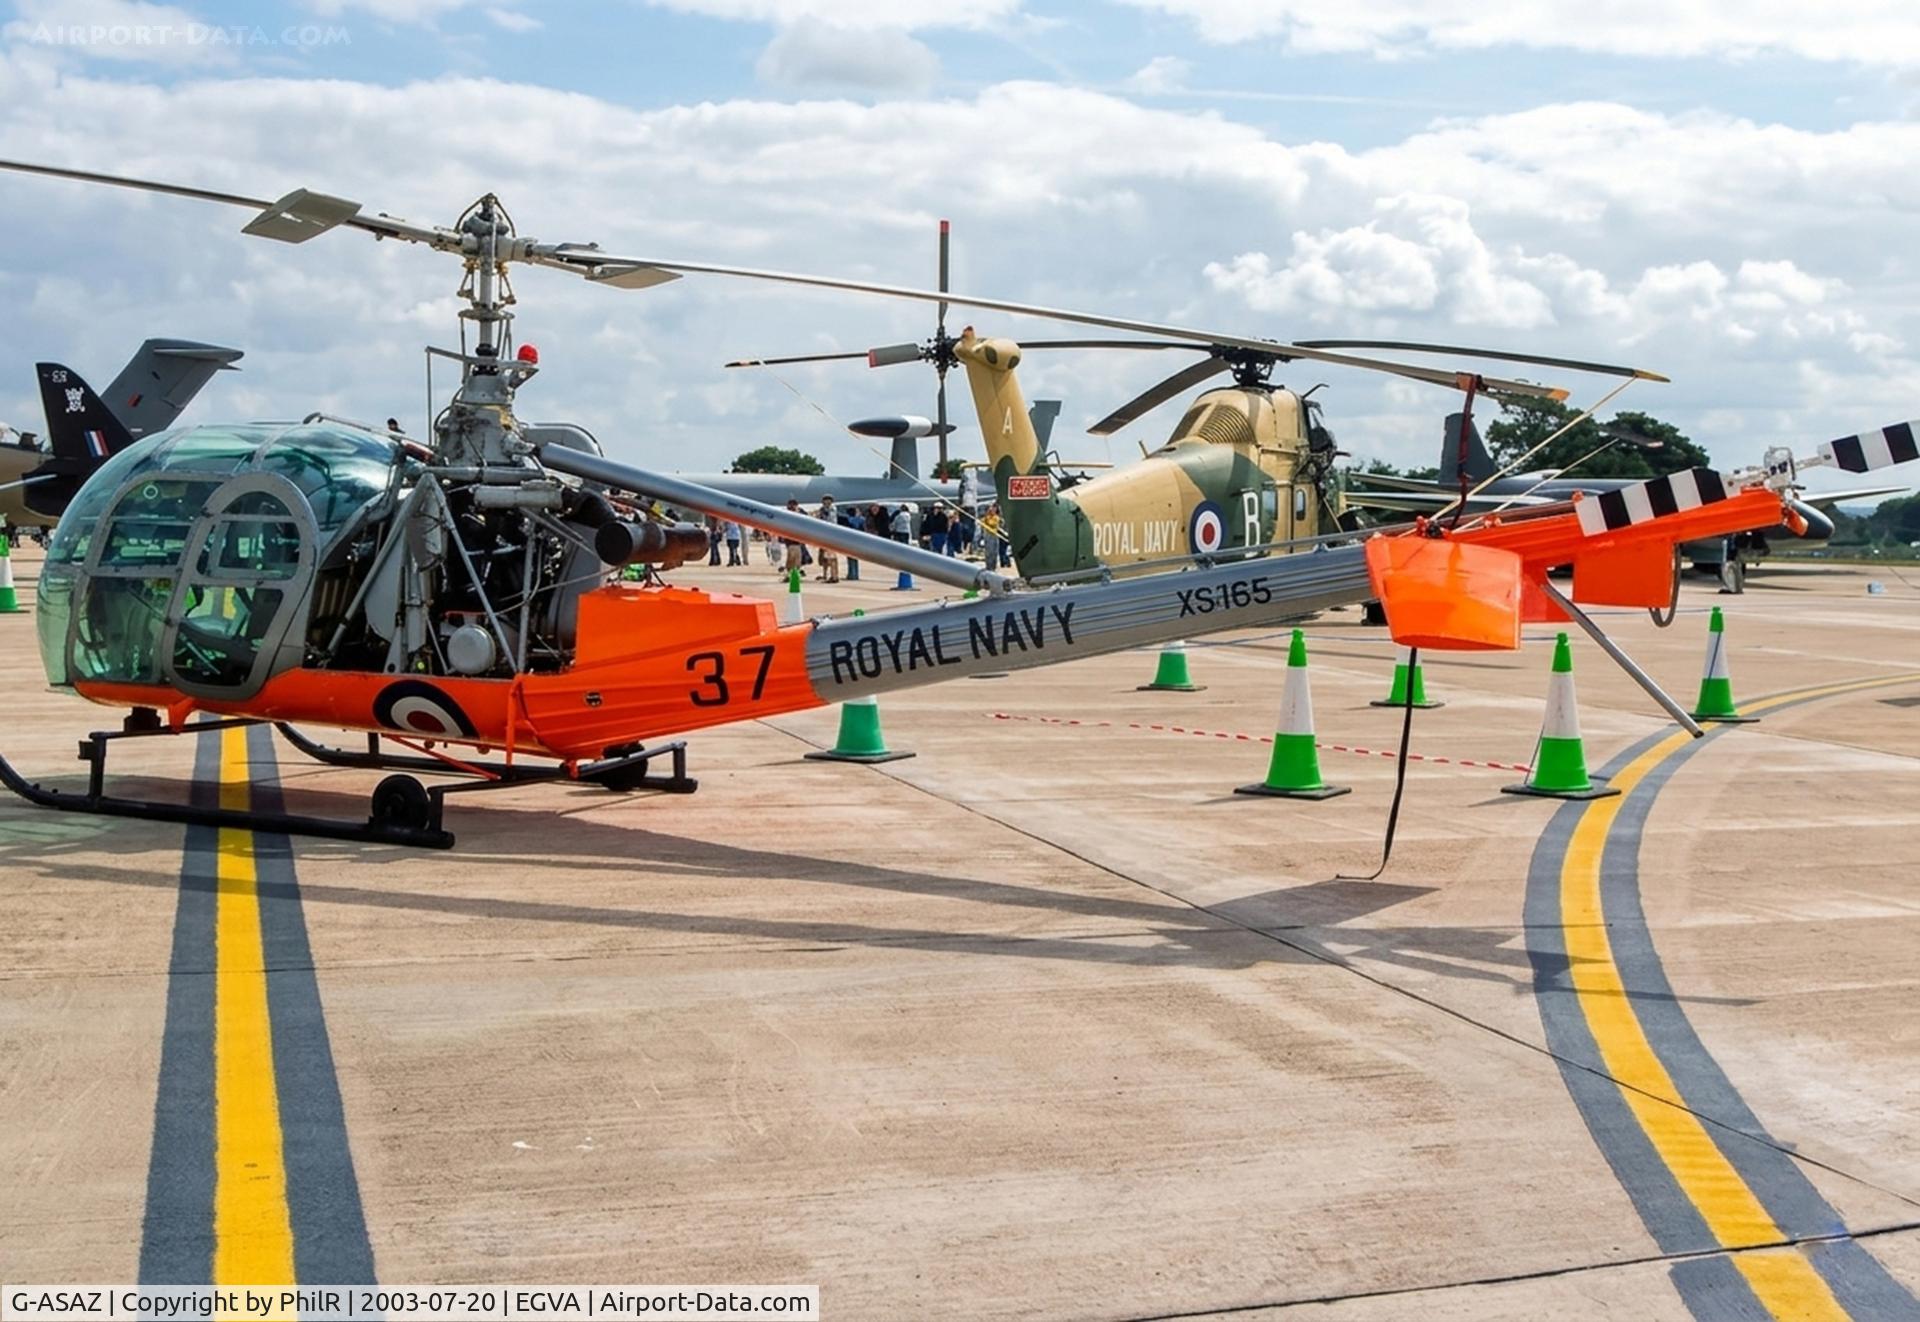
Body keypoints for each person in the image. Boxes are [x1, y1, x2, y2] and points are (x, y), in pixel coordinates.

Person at [814, 494, 840, 584]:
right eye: (825, 500)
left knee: (832, 557)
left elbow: (830, 521)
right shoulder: (822, 510)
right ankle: (826, 574)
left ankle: (834, 576)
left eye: (829, 500)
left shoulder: (832, 510)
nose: (827, 502)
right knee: (824, 557)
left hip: (831, 536)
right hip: (823, 536)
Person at [781, 498, 805, 576]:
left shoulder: (799, 514)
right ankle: (790, 574)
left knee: (794, 559)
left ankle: (791, 574)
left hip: (796, 540)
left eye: (793, 505)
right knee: (793, 558)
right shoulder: (787, 514)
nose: (792, 506)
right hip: (791, 540)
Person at [980, 503, 1005, 572]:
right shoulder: (986, 518)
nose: (993, 510)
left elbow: (998, 524)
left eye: (994, 508)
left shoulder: (997, 517)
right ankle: (989, 566)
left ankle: (993, 567)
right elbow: (986, 523)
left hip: (995, 536)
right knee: (989, 552)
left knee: (994, 552)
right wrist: (987, 515)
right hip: (988, 536)